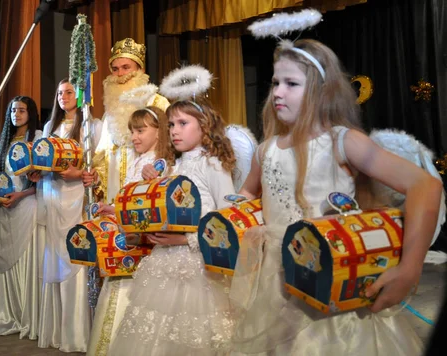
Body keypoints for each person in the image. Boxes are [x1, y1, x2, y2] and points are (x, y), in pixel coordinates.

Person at [229, 39, 442, 355]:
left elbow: (425, 186)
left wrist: (409, 268)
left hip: (333, 277)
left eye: (291, 83)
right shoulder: (266, 149)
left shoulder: (343, 141)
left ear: (321, 89)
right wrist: (237, 216)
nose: (277, 92)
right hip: (275, 281)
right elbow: (248, 193)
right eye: (275, 82)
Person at [108, 98, 237, 355]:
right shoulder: (172, 167)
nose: (174, 130)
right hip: (162, 262)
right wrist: (151, 186)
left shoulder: (212, 164)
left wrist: (184, 240)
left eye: (183, 123)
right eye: (171, 125)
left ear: (204, 125)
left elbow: (227, 221)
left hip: (197, 266)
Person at [82, 38, 169, 355]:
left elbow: (170, 153)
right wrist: (94, 178)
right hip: (116, 204)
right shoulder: (109, 113)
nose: (119, 74)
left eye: (126, 67)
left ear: (140, 70)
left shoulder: (159, 104)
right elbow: (103, 157)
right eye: (115, 68)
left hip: (146, 202)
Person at [31, 78, 102, 352]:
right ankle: (58, 329)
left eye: (69, 92)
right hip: (53, 195)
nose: (63, 97)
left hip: (76, 198)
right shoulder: (50, 127)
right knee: (56, 254)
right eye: (59, 92)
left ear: (81, 95)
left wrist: (82, 174)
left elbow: (96, 165)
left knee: (76, 252)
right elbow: (43, 160)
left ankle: (78, 331)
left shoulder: (91, 126)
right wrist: (37, 172)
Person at [0, 96, 42, 339]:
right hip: (4, 209)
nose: (16, 114)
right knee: (7, 264)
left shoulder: (39, 138)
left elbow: (43, 181)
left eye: (21, 110)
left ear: (31, 113)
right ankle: (8, 315)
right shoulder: (5, 141)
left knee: (26, 261)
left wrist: (21, 194)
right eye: (13, 110)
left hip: (26, 205)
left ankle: (27, 316)